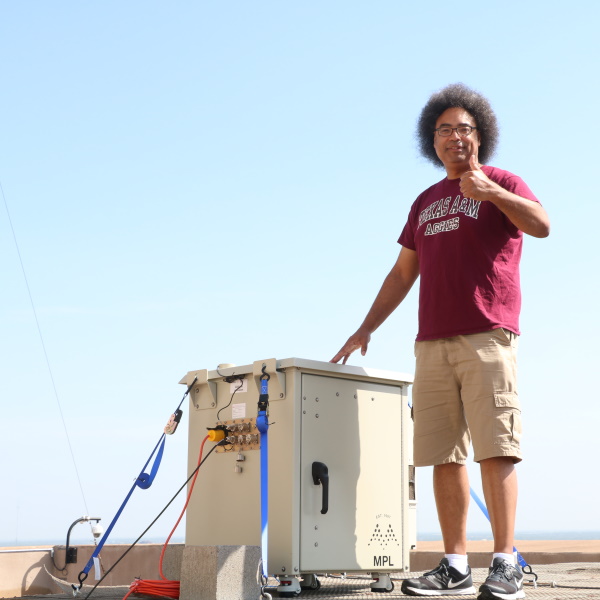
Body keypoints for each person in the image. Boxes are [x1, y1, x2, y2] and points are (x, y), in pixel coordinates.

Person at [331, 83, 549, 600]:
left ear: (481, 137)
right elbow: (402, 274)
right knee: (443, 455)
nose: (455, 136)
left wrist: (491, 193)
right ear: (433, 141)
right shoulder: (425, 202)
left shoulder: (502, 181)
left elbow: (541, 225)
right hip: (431, 344)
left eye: (465, 129)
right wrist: (366, 327)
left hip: (487, 336)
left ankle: (504, 563)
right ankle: (453, 565)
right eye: (445, 129)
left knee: (497, 449)